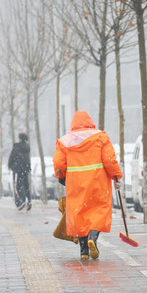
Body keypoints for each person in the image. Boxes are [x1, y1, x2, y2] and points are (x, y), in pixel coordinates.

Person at [53, 111, 122, 260]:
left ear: (73, 124)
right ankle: (93, 237)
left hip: (75, 183)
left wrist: (61, 175)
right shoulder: (100, 137)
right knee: (99, 209)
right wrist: (116, 176)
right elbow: (109, 160)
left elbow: (58, 163)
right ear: (91, 122)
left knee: (79, 213)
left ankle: (83, 250)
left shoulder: (64, 141)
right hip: (98, 182)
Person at [8, 132, 32, 211]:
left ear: (20, 139)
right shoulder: (27, 147)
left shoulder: (17, 147)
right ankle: (29, 200)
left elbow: (12, 156)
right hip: (25, 169)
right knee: (26, 185)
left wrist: (9, 165)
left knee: (17, 186)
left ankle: (20, 201)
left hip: (18, 169)